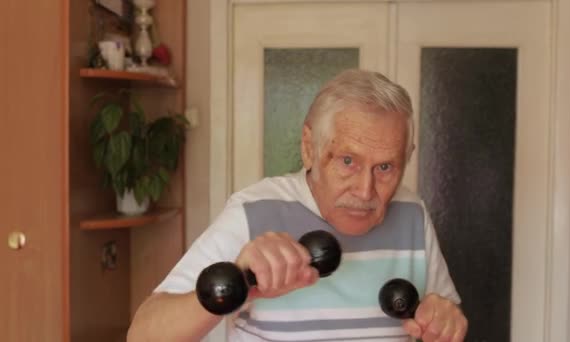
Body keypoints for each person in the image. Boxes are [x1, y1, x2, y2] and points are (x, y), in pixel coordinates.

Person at [127, 69, 468, 341]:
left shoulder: (412, 212)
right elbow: (143, 334)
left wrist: (445, 321)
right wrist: (241, 282)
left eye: (385, 168)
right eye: (348, 161)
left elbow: (443, 311)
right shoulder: (253, 212)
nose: (365, 191)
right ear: (309, 148)